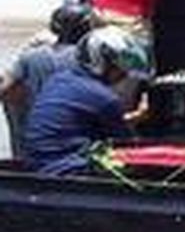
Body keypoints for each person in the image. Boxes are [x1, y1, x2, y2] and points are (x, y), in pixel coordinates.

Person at [21, 27, 150, 175]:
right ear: (102, 62)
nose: (125, 73)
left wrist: (136, 117)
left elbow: (81, 122)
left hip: (38, 164)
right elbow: (125, 144)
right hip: (70, 169)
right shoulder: (104, 98)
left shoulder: (59, 79)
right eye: (120, 66)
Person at [1, 3, 92, 158]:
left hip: (37, 141)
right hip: (77, 144)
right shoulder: (91, 59)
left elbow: (6, 91)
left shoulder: (30, 57)